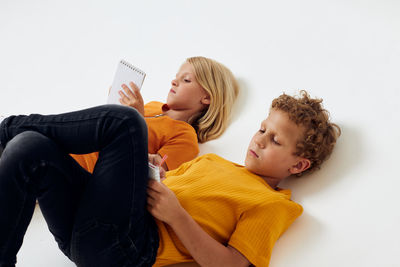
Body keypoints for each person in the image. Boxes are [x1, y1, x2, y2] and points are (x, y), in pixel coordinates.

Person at [0, 90, 340, 266]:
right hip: (90, 229)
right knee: (29, 147)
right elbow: (161, 188)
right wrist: (151, 170)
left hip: (127, 250)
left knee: (127, 122)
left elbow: (233, 265)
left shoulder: (272, 204)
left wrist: (177, 216)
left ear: (298, 166)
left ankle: (5, 127)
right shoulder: (210, 162)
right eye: (262, 129)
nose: (259, 139)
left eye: (275, 140)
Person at [71, 56, 239, 172]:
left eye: (186, 80)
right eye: (176, 77)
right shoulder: (153, 106)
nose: (174, 81)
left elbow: (151, 170)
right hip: (73, 144)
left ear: (207, 97)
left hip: (82, 168)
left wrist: (135, 122)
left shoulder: (186, 138)